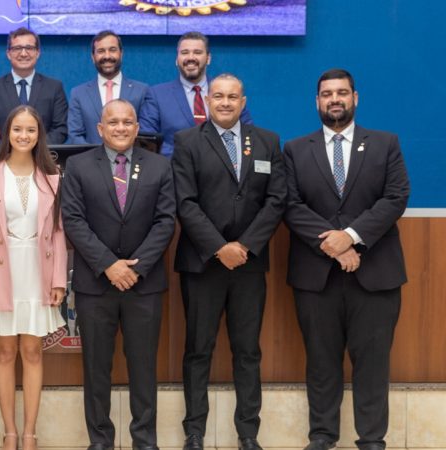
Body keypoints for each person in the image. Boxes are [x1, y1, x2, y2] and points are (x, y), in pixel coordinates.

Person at [283, 69, 409, 450]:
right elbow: (289, 204)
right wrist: (334, 246)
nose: (334, 99)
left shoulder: (385, 144)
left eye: (341, 93)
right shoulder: (295, 149)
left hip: (376, 273)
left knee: (372, 363)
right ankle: (322, 437)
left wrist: (351, 238)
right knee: (321, 362)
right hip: (315, 276)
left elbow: (395, 197)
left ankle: (371, 439)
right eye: (326, 94)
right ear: (316, 102)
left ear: (356, 98)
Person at [172, 74, 286, 450]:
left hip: (249, 266)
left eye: (232, 97)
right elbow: (185, 203)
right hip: (204, 264)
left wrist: (246, 246)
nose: (225, 102)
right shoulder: (188, 142)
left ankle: (248, 433)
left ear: (243, 101)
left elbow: (276, 201)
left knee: (248, 350)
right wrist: (220, 247)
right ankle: (194, 433)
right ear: (207, 99)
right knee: (198, 350)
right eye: (218, 96)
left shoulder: (267, 142)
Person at [61, 99, 175, 450]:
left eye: (128, 122)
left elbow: (165, 221)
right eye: (114, 122)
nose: (121, 128)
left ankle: (145, 440)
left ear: (137, 127)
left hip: (145, 284)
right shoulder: (78, 166)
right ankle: (100, 441)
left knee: (143, 368)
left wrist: (134, 267)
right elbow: (74, 221)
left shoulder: (159, 166)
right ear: (100, 128)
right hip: (96, 284)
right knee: (97, 369)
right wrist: (109, 264)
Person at [0, 105, 67, 450]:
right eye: (17, 130)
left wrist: (59, 281)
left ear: (39, 134)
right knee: (4, 352)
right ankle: (9, 432)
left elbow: (58, 235)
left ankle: (30, 433)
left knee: (33, 350)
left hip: (37, 271)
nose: (23, 136)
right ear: (7, 134)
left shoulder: (53, 178)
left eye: (30, 130)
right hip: (1, 271)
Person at [140, 31, 252, 157]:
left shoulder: (228, 92)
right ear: (177, 59)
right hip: (174, 172)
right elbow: (148, 143)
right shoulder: (157, 95)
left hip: (222, 173)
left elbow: (246, 134)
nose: (190, 58)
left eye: (197, 52)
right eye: (184, 53)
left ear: (208, 58)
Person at [0, 27, 68, 155]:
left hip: (42, 163)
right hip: (3, 164)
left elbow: (60, 130)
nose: (23, 53)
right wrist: (12, 157)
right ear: (8, 53)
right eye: (17, 48)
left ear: (38, 53)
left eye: (29, 48)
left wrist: (35, 153)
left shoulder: (54, 88)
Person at [67, 30, 153, 144]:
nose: (107, 56)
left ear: (121, 54)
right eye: (101, 51)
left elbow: (145, 134)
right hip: (91, 160)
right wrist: (95, 160)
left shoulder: (141, 91)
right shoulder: (78, 94)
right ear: (93, 57)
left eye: (112, 50)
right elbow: (75, 135)